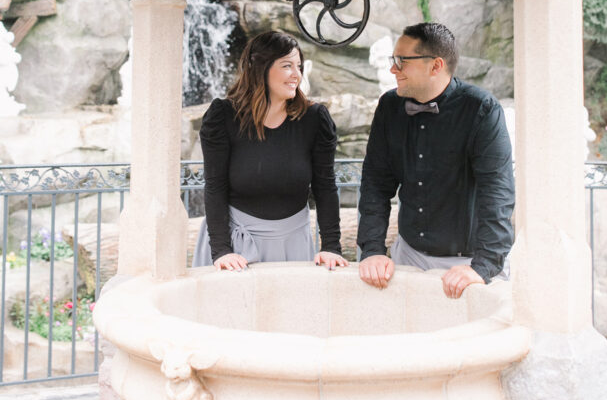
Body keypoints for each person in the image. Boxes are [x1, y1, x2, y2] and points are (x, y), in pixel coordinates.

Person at [357, 22, 514, 298]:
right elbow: (375, 184)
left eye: (402, 61)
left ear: (436, 65)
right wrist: (372, 251)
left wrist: (483, 266)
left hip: (469, 263)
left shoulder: (482, 109)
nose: (393, 69)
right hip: (408, 256)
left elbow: (497, 193)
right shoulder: (389, 107)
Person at [193, 30, 347, 271]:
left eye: (299, 66)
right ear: (260, 68)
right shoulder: (222, 117)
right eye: (287, 66)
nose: (296, 74)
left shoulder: (315, 119)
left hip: (294, 245)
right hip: (234, 251)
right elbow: (215, 186)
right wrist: (222, 250)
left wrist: (331, 246)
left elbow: (325, 186)